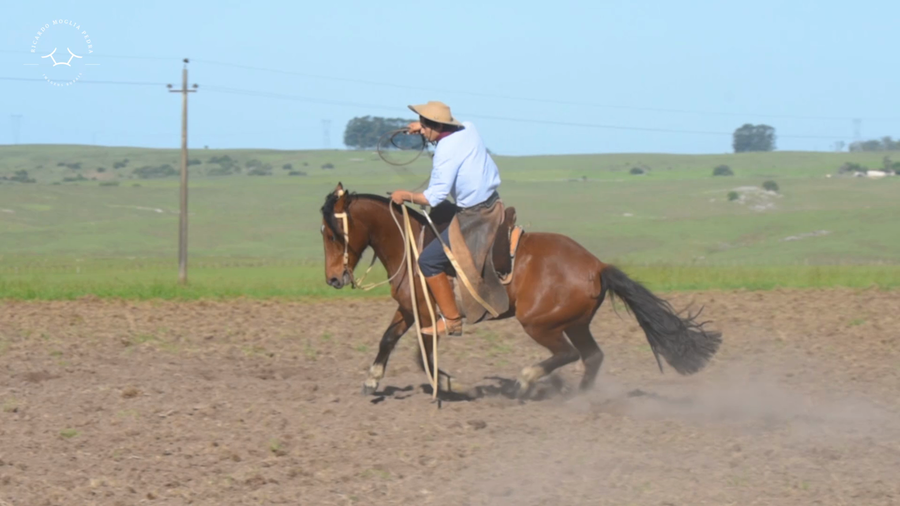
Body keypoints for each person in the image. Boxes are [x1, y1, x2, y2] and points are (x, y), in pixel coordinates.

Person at [390, 101, 501, 336]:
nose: (422, 129)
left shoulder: (445, 152)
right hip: (494, 204)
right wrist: (423, 127)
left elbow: (435, 197)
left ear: (435, 126)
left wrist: (405, 195)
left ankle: (452, 320)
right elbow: (444, 128)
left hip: (474, 217)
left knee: (427, 261)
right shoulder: (468, 128)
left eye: (424, 124)